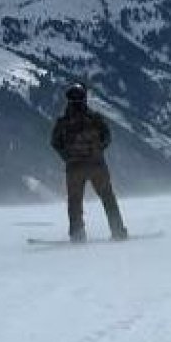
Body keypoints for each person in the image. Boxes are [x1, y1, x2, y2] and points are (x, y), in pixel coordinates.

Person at [49, 83, 129, 242]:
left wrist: (67, 156)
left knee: (74, 202)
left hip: (74, 168)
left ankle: (77, 236)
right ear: (84, 98)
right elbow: (107, 137)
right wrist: (98, 151)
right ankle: (118, 231)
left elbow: (54, 142)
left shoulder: (63, 122)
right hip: (97, 165)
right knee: (108, 198)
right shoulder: (95, 119)